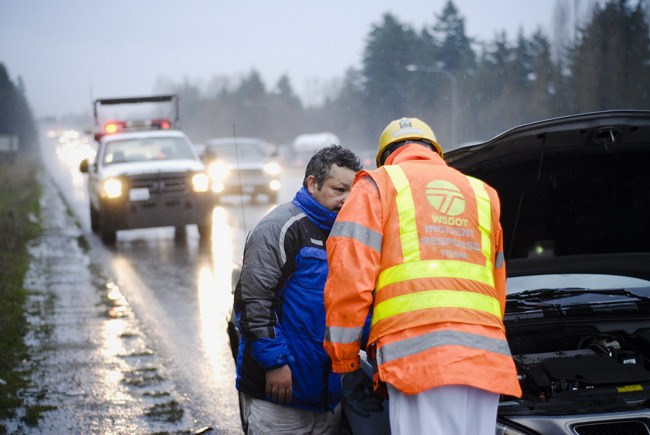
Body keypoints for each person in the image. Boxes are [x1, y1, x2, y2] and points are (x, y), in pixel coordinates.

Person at [322, 118, 522, 434]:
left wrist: (345, 362)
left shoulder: (377, 186)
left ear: (386, 156)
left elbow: (349, 280)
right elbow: (496, 285)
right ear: (435, 151)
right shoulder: (483, 193)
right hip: (486, 357)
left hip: (417, 360)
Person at [234, 144, 363, 434]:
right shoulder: (280, 227)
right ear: (312, 184)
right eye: (339, 190)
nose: (347, 200)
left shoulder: (350, 236)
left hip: (328, 398)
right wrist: (274, 364)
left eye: (353, 193)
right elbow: (253, 302)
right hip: (280, 396)